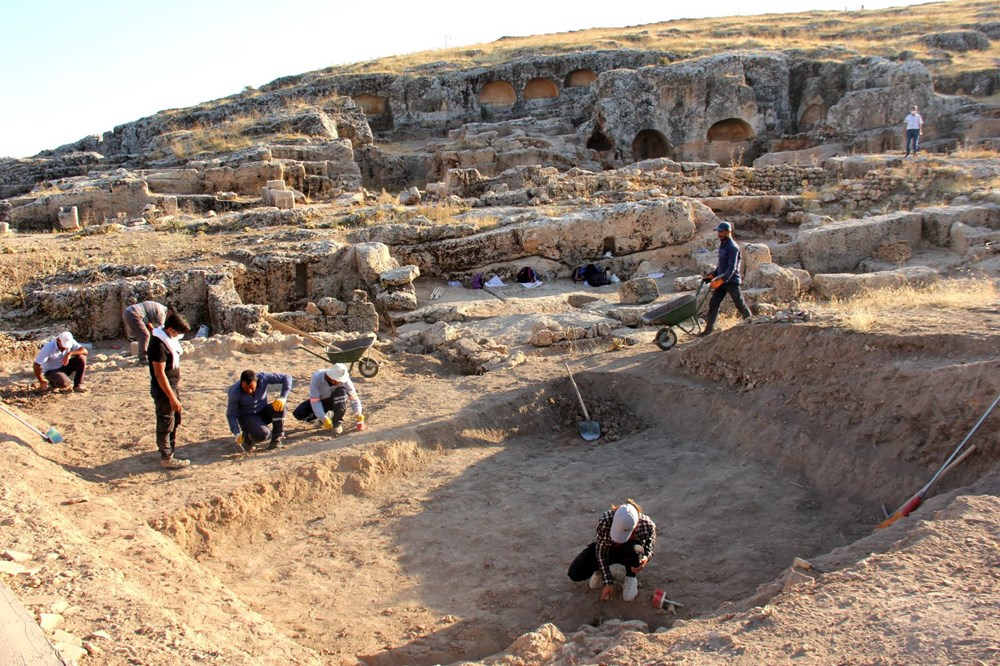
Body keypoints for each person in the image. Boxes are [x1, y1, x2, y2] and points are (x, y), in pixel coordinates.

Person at [567, 500, 656, 602]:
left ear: (636, 526)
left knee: (634, 550)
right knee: (575, 572)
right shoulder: (605, 520)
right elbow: (601, 551)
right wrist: (608, 581)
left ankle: (631, 576)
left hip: (628, 553)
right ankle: (600, 571)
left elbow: (650, 543)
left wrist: (646, 557)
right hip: (607, 549)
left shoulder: (647, 525)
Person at [147, 312, 191, 470]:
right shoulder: (158, 345)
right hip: (164, 389)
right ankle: (166, 457)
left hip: (172, 386)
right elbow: (160, 374)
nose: (178, 336)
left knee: (175, 419)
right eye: (177, 332)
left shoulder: (167, 338)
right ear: (171, 329)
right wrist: (172, 397)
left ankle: (169, 450)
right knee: (166, 420)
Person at [699, 221, 752, 337]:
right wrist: (713, 275)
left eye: (721, 232)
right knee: (713, 304)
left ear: (728, 232)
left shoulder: (732, 247)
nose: (719, 234)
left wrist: (721, 281)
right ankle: (708, 331)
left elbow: (732, 268)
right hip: (722, 280)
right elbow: (722, 265)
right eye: (718, 231)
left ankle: (752, 324)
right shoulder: (723, 245)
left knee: (739, 304)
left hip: (731, 281)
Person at [226, 369, 292, 452]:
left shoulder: (263, 378)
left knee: (281, 407)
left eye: (252, 388)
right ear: (241, 382)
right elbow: (231, 414)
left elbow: (287, 377)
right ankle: (248, 437)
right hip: (248, 418)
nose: (249, 391)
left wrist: (283, 397)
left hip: (263, 411)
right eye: (246, 389)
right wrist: (236, 433)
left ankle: (276, 439)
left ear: (257, 382)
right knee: (263, 434)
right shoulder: (235, 392)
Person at [292, 363, 364, 435]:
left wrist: (358, 413)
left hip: (336, 401)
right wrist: (323, 418)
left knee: (341, 392)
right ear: (331, 377)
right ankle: (326, 416)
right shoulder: (317, 377)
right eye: (337, 381)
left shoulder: (344, 380)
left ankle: (337, 423)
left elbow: (354, 397)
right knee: (298, 413)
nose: (340, 382)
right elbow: (315, 401)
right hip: (321, 401)